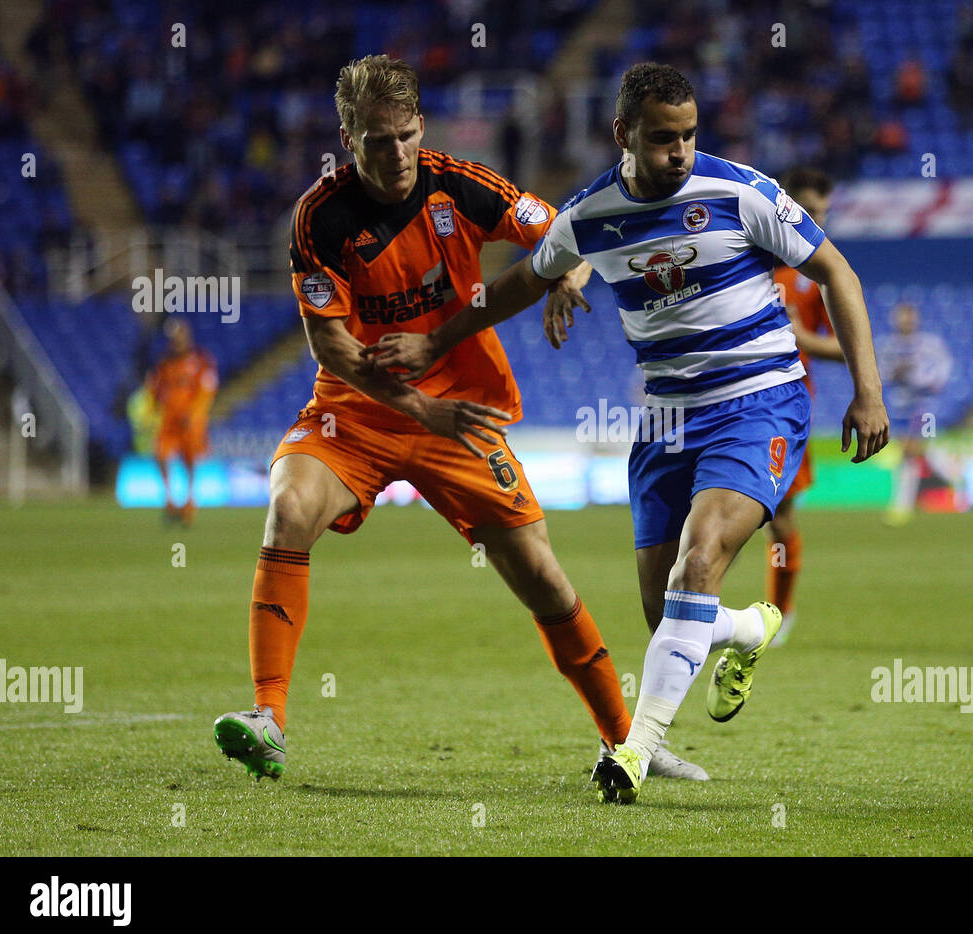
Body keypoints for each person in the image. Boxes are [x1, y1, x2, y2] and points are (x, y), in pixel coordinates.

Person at [379, 62, 890, 803]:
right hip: (663, 420)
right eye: (661, 139)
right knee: (666, 612)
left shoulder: (741, 192)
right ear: (623, 133)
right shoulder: (590, 215)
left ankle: (634, 751)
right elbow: (523, 279)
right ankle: (746, 628)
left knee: (701, 558)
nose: (679, 153)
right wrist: (438, 340)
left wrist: (867, 393)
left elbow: (837, 274)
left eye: (687, 136)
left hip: (758, 404)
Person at [213, 54, 704, 783]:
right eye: (379, 141)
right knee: (287, 508)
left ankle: (628, 739)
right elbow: (331, 346)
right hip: (361, 412)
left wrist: (568, 275)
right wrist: (422, 410)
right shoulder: (322, 217)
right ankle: (269, 718)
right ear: (347, 138)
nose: (399, 154)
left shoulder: (459, 183)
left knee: (541, 575)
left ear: (421, 127)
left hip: (464, 416)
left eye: (408, 135)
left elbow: (557, 231)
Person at [765, 166, 843, 647]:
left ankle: (779, 610)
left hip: (785, 409)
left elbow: (845, 345)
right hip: (722, 401)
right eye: (808, 211)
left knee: (778, 518)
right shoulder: (745, 255)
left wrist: (801, 337)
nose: (815, 222)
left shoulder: (817, 275)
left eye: (822, 214)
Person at [876, 303, 952, 524]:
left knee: (914, 449)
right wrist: (894, 373)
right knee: (919, 452)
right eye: (902, 317)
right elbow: (880, 372)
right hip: (900, 406)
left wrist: (917, 378)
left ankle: (902, 506)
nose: (905, 322)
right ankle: (958, 481)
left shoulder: (929, 345)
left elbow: (941, 371)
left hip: (924, 405)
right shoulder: (888, 346)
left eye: (909, 317)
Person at [147, 317, 217, 525]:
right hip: (169, 419)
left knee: (190, 460)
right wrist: (155, 407)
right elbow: (156, 390)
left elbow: (207, 391)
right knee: (160, 453)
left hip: (191, 421)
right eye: (172, 338)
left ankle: (189, 502)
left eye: (178, 337)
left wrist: (194, 414)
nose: (176, 342)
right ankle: (169, 499)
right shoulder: (164, 364)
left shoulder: (200, 361)